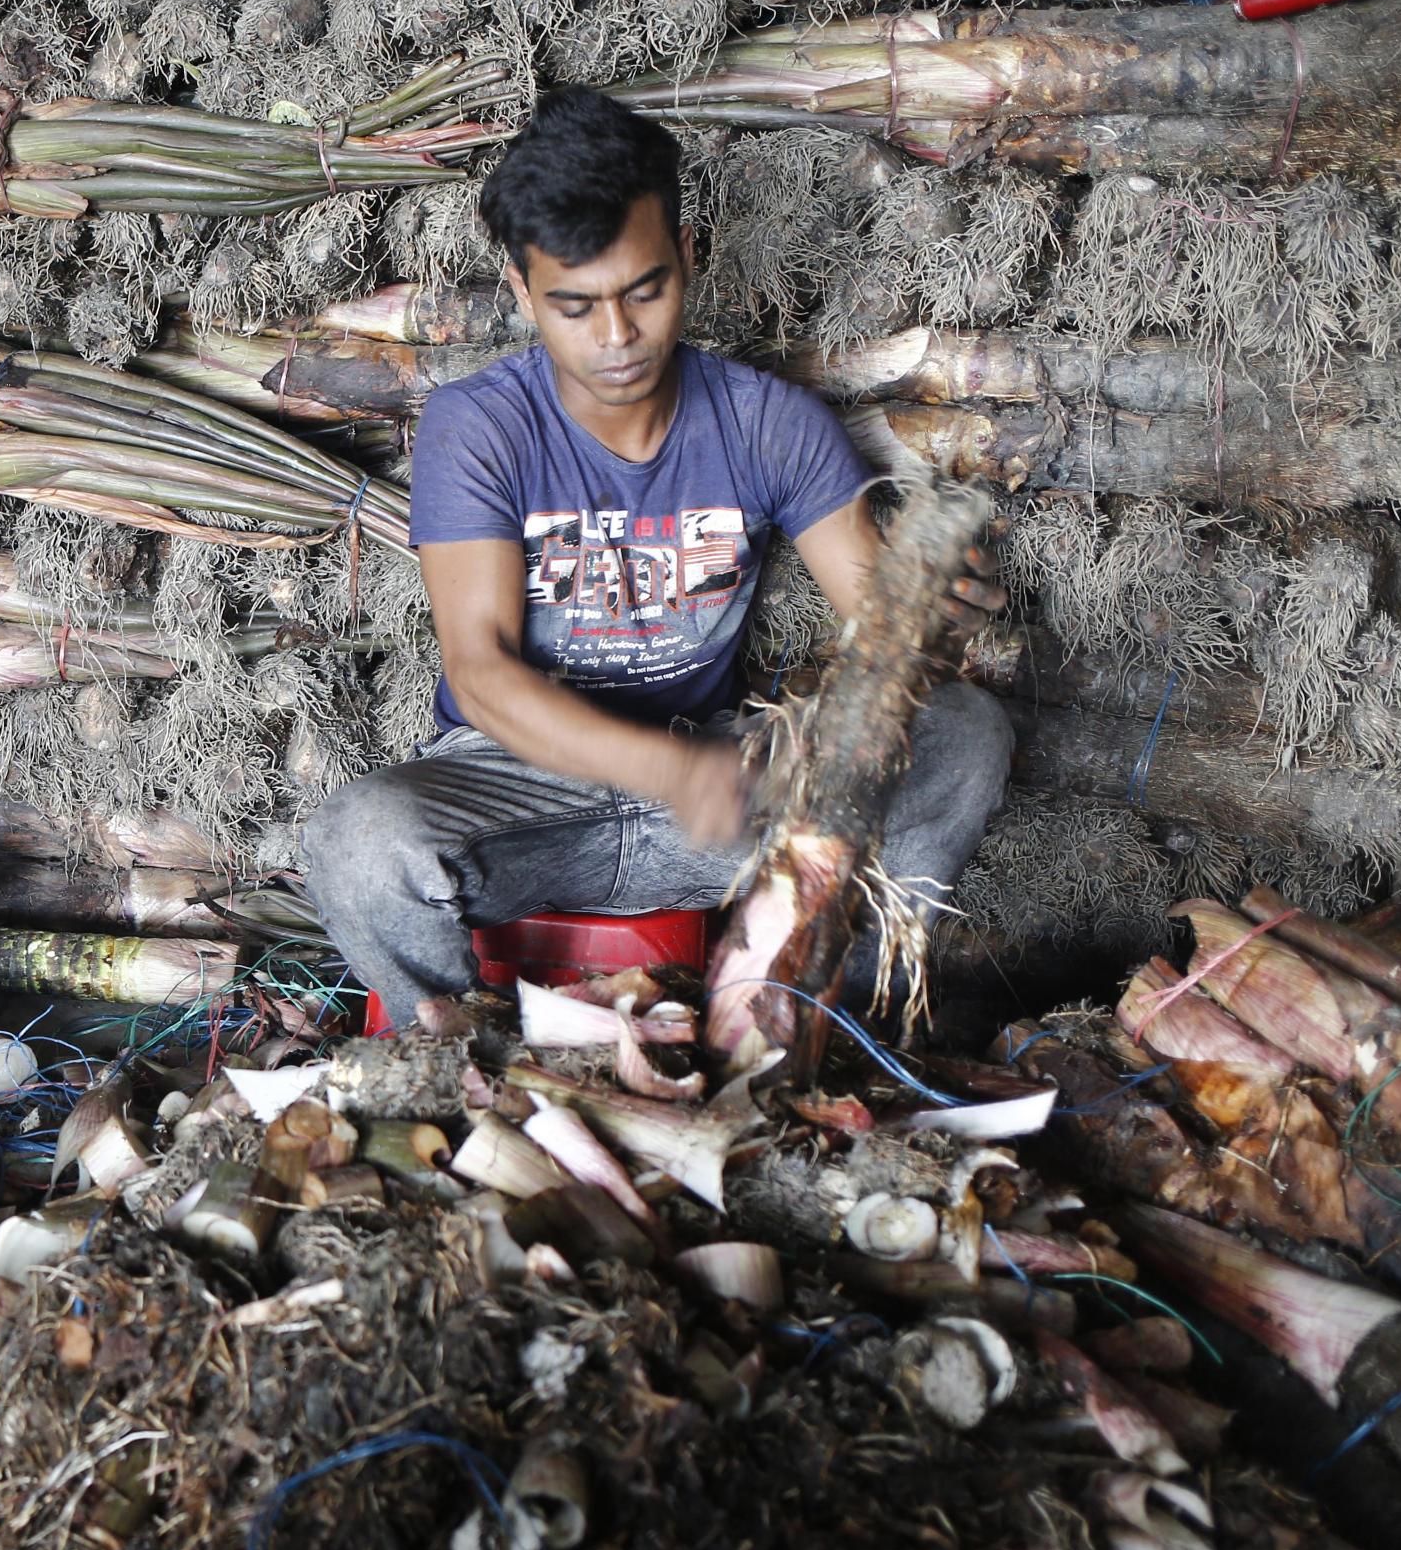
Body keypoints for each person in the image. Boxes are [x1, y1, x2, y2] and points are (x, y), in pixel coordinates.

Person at [300, 89, 1014, 1017]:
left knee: (966, 736)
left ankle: (840, 1020)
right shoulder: (477, 426)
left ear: (687, 257)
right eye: (575, 306)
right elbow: (480, 677)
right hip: (525, 793)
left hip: (721, 787)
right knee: (358, 841)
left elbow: (876, 625)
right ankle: (453, 1057)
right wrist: (668, 776)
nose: (617, 337)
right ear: (522, 293)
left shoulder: (768, 422)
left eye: (645, 290)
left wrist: (933, 604)